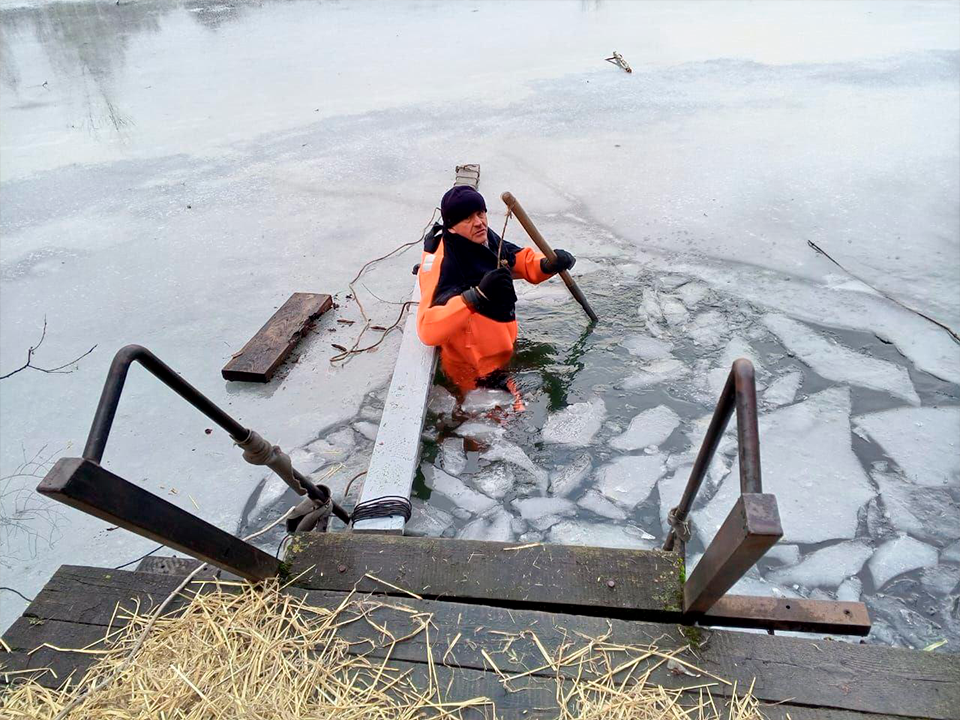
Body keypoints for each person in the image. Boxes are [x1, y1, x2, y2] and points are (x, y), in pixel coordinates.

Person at [416, 185, 576, 394]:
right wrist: (475, 297)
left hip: (503, 354)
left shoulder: (482, 237)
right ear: (452, 226)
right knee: (514, 421)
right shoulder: (442, 265)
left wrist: (546, 264)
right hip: (475, 371)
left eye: (480, 213)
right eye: (467, 218)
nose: (479, 222)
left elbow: (516, 259)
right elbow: (427, 330)